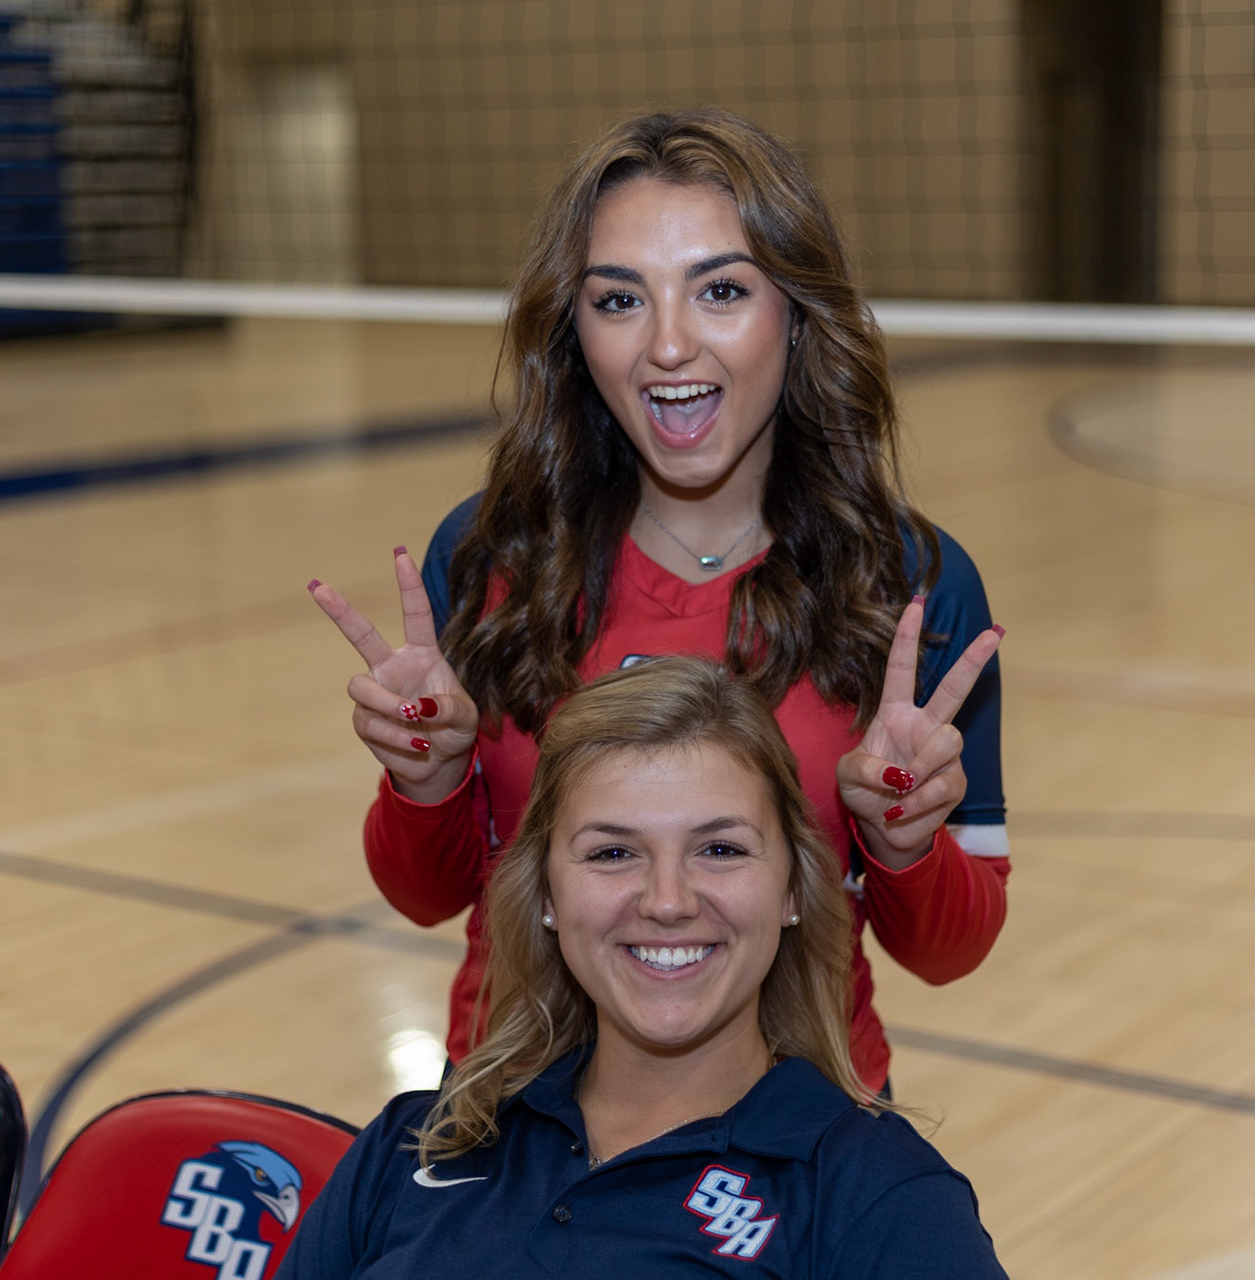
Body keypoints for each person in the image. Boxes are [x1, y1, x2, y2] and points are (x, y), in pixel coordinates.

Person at [309, 106, 1007, 1094]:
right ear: (575, 326)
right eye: (620, 299)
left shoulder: (910, 581)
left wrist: (906, 844)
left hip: (798, 1140)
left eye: (720, 290)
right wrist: (427, 780)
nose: (668, 346)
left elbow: (951, 951)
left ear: (798, 312)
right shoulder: (489, 551)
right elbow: (427, 896)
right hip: (518, 1120)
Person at [279, 659, 1008, 1278]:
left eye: (720, 849)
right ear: (546, 897)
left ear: (792, 890)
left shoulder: (881, 1198)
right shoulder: (415, 1142)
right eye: (611, 852)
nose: (667, 902)